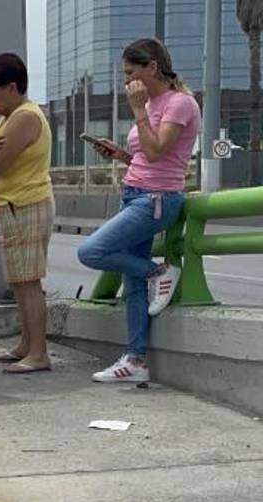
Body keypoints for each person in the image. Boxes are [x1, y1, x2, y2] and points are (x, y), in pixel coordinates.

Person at [76, 38, 201, 383]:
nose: (126, 82)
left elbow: (159, 151)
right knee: (131, 287)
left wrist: (138, 111)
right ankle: (136, 360)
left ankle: (157, 272)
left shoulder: (180, 103)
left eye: (131, 73)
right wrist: (123, 156)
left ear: (152, 68)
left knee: (92, 251)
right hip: (136, 193)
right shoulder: (154, 103)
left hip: (156, 199)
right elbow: (148, 156)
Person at [0, 53, 55, 375]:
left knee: (28, 282)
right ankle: (27, 343)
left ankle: (39, 353)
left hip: (23, 204)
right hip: (12, 205)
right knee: (20, 282)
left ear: (11, 86)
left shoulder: (24, 117)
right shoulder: (11, 119)